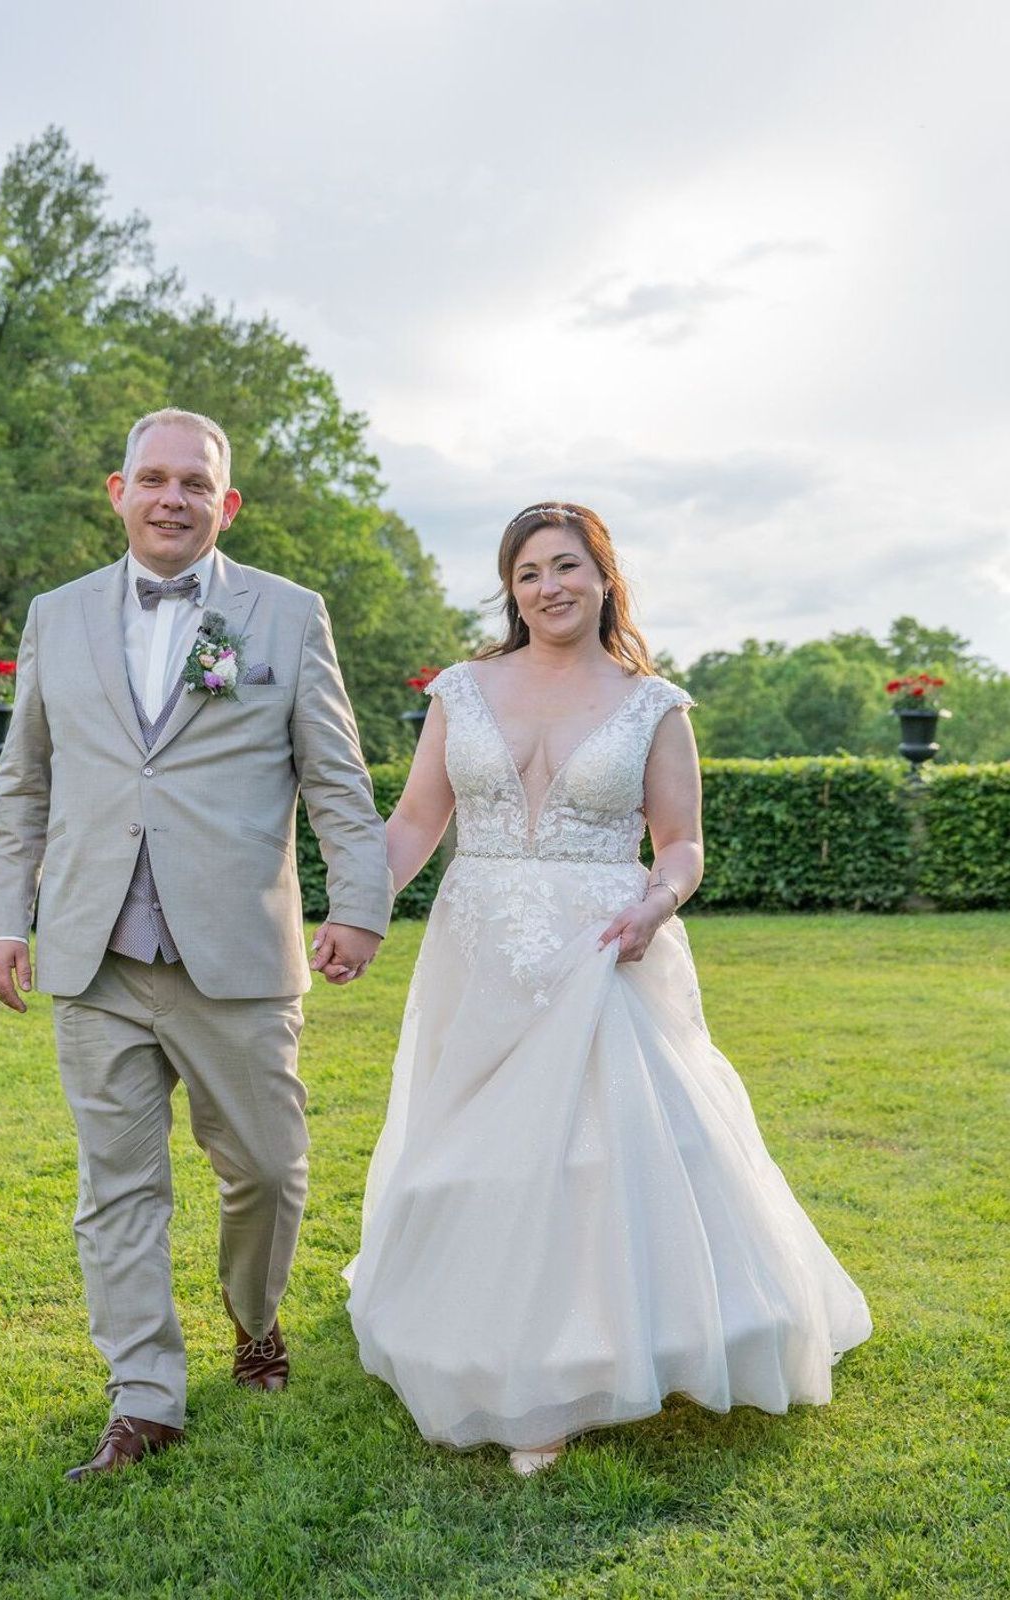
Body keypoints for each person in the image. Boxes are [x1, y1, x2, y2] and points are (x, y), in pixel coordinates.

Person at [345, 502, 872, 1476]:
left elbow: (683, 845)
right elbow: (416, 822)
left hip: (603, 945)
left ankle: (568, 1376)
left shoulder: (652, 704)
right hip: (480, 947)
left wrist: (657, 904)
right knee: (471, 1146)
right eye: (530, 571)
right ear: (511, 589)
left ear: (603, 576)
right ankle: (485, 1341)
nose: (550, 586)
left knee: (592, 1157)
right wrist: (358, 904)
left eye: (567, 566)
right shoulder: (460, 691)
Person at [0, 407, 392, 1481]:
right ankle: (145, 1396)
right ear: (117, 491)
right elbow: (23, 781)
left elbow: (339, 783)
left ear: (227, 502)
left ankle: (253, 1315)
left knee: (267, 1168)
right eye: (151, 479)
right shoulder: (55, 616)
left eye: (193, 484)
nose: (171, 498)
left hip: (238, 954)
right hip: (95, 953)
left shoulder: (286, 616)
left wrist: (359, 902)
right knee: (117, 1188)